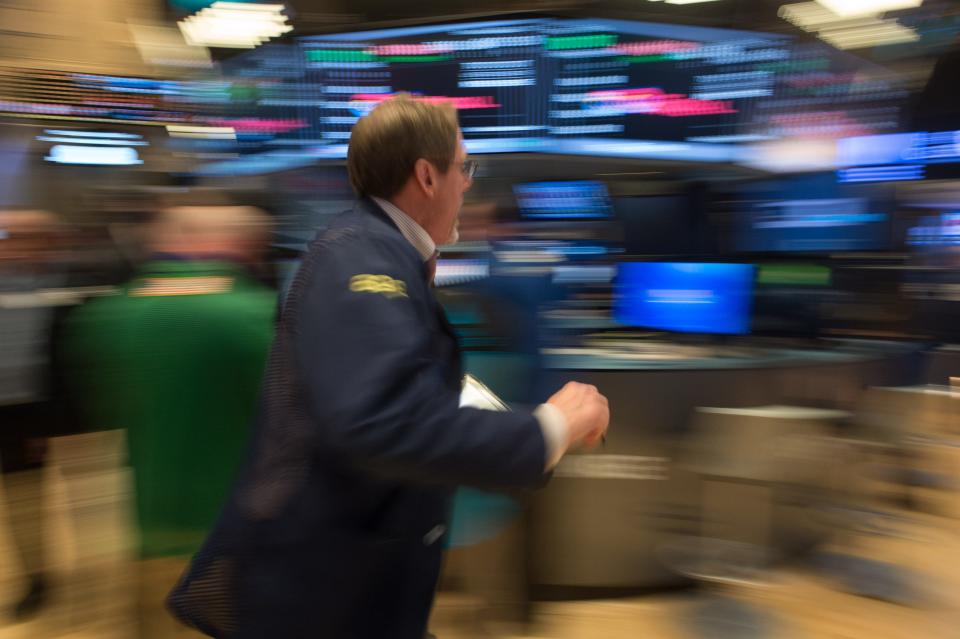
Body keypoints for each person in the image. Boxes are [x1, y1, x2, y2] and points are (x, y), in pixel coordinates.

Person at [168, 95, 609, 639]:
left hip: (348, 583)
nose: (467, 183)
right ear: (426, 176)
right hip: (320, 594)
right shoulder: (362, 256)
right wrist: (547, 430)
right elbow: (380, 421)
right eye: (462, 168)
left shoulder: (378, 250)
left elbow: (382, 395)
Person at [65, 202, 277, 638]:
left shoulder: (109, 316)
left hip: (148, 530)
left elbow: (103, 409)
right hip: (238, 533)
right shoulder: (257, 315)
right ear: (239, 245)